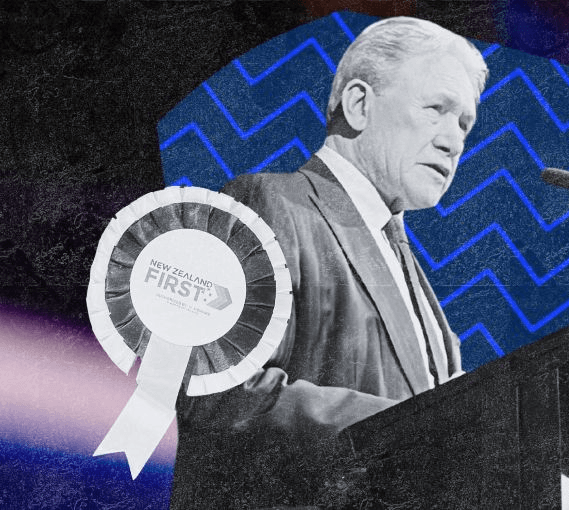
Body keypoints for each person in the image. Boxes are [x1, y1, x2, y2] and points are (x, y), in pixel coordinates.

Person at [170, 17, 489, 509]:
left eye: (464, 123)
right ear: (359, 104)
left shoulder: (404, 260)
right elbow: (222, 393)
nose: (454, 140)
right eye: (436, 109)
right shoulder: (269, 202)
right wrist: (418, 429)